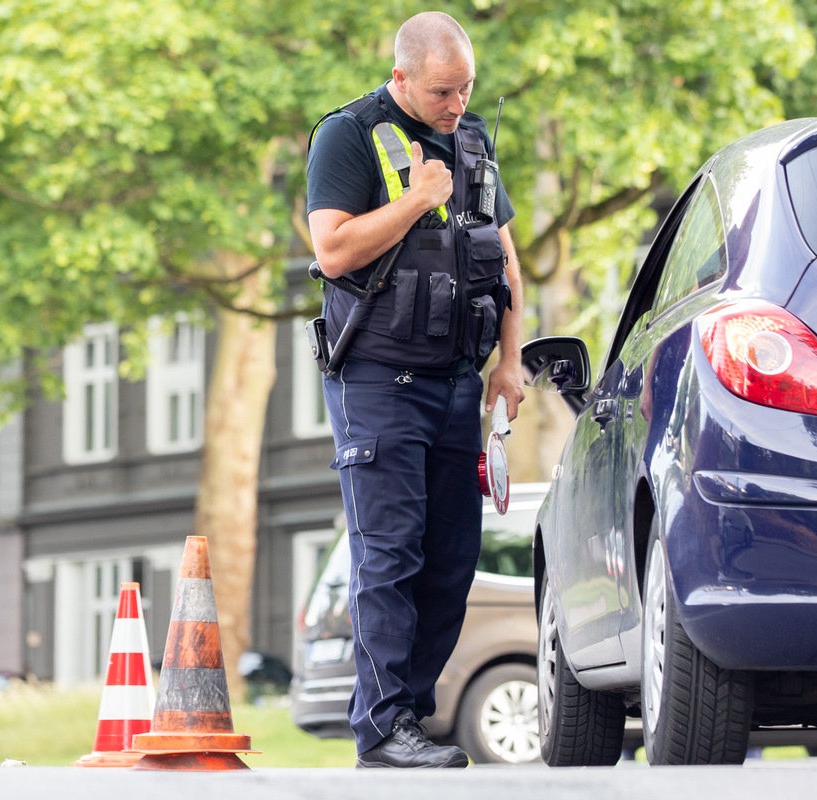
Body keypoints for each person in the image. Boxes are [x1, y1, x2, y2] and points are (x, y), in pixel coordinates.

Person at [304, 11, 525, 769]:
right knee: (389, 554)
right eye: (442, 91)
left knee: (451, 559)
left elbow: (502, 250)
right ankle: (381, 729)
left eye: (465, 89)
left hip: (459, 379)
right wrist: (415, 199)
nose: (456, 104)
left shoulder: (473, 141)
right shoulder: (349, 134)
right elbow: (331, 251)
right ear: (401, 77)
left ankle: (409, 719)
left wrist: (510, 359)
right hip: (378, 380)